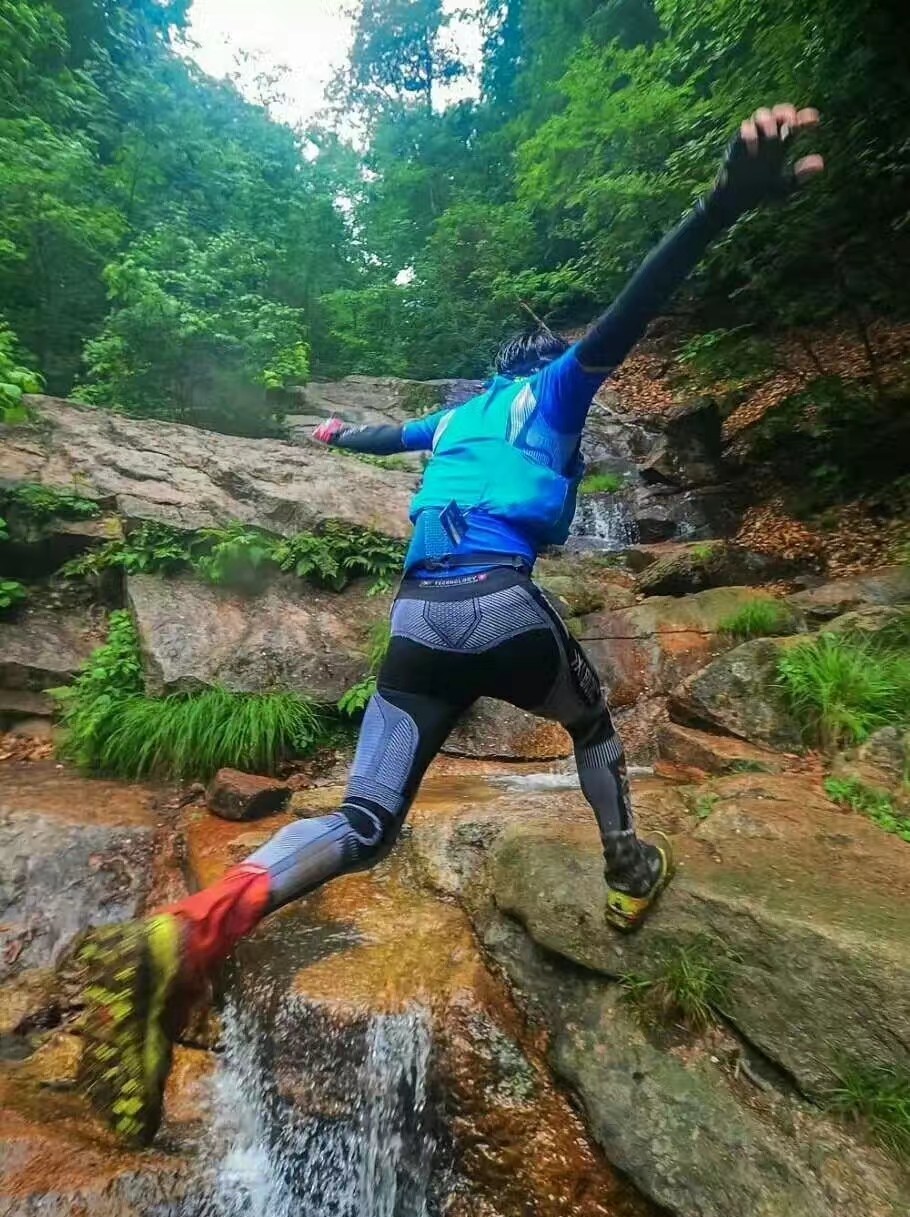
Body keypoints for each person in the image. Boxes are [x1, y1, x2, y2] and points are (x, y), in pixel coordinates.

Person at [72, 105, 823, 1146]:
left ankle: (187, 929)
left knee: (365, 823)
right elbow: (627, 313)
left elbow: (384, 433)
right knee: (592, 725)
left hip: (418, 624)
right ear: (544, 372)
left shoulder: (460, 413)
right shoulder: (552, 394)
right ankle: (625, 869)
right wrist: (720, 204)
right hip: (502, 608)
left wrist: (336, 430)